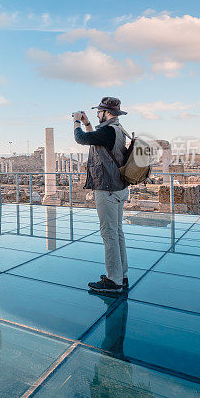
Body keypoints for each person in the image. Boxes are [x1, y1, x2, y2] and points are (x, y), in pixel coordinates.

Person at [73, 97, 130, 295]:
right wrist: (88, 123)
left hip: (107, 189)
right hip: (120, 187)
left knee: (109, 234)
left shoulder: (107, 131)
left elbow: (81, 139)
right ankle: (121, 274)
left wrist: (77, 122)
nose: (97, 115)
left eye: (99, 112)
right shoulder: (117, 130)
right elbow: (95, 138)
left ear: (106, 113)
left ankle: (113, 281)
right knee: (118, 232)